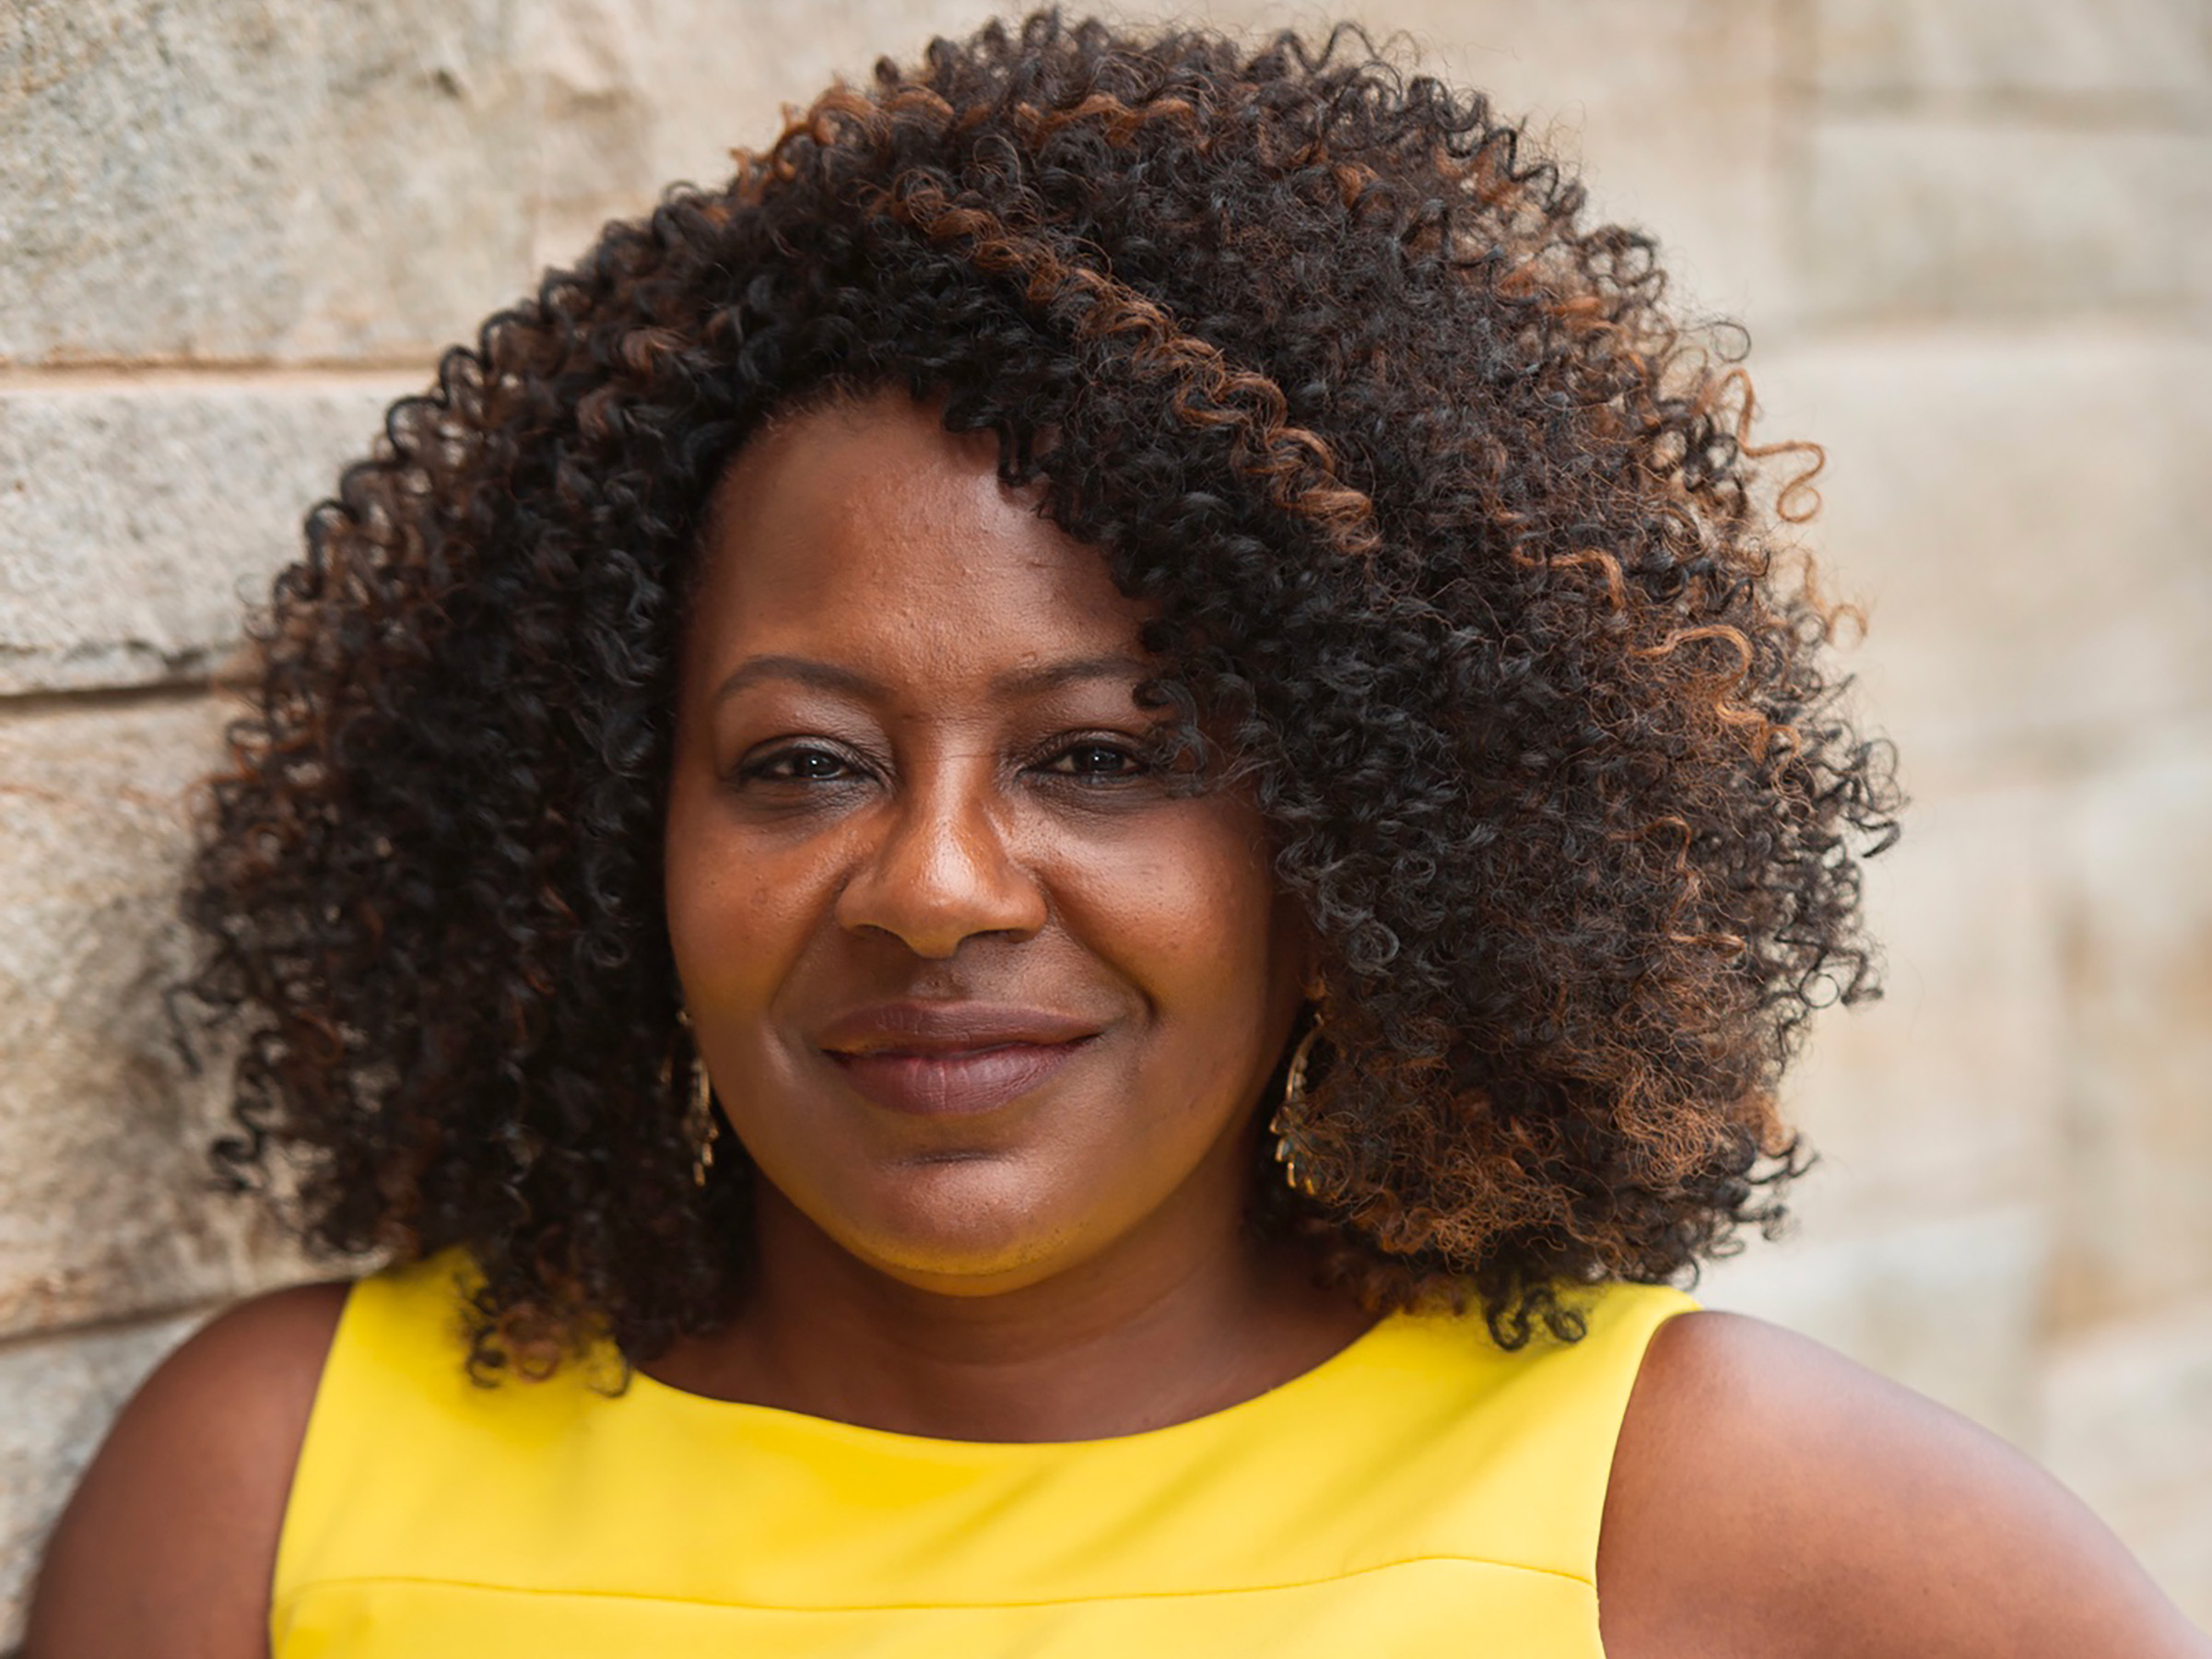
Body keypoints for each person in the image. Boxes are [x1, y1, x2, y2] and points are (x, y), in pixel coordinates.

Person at [25, 11, 2206, 1656]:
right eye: (802, 763)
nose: (939, 888)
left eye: (1099, 757)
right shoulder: (272, 1494)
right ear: (620, 837)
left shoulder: (1735, 1532)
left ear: (1356, 838)